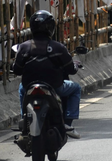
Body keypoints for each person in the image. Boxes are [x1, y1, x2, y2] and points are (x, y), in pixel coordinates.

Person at [14, 10, 82, 139]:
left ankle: (24, 118)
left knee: (21, 89)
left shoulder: (24, 47)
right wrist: (76, 65)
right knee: (76, 88)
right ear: (51, 28)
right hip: (55, 87)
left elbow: (17, 70)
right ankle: (68, 123)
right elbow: (70, 70)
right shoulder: (58, 47)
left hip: (28, 86)